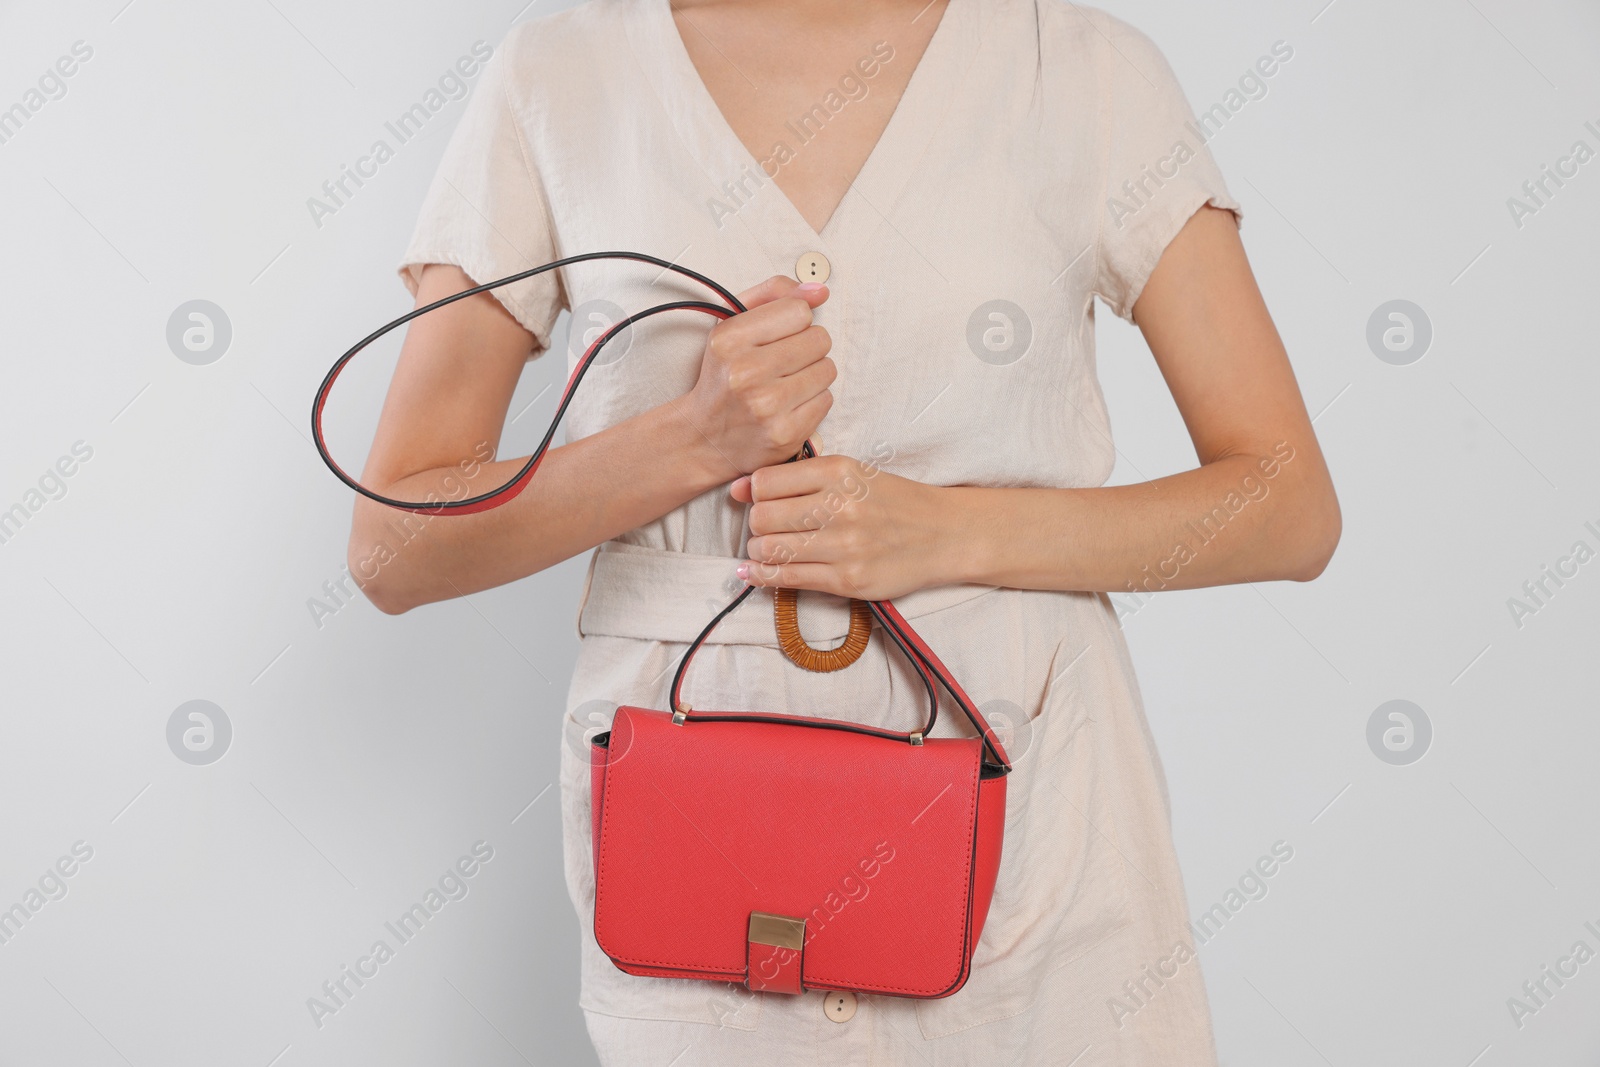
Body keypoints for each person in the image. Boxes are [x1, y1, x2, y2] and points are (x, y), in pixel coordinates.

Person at [347, 0, 1341, 1063]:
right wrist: (689, 441)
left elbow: (1285, 508)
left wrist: (949, 531)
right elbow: (394, 545)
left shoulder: (1082, 68)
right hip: (701, 853)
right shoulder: (563, 73)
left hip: (1039, 830)